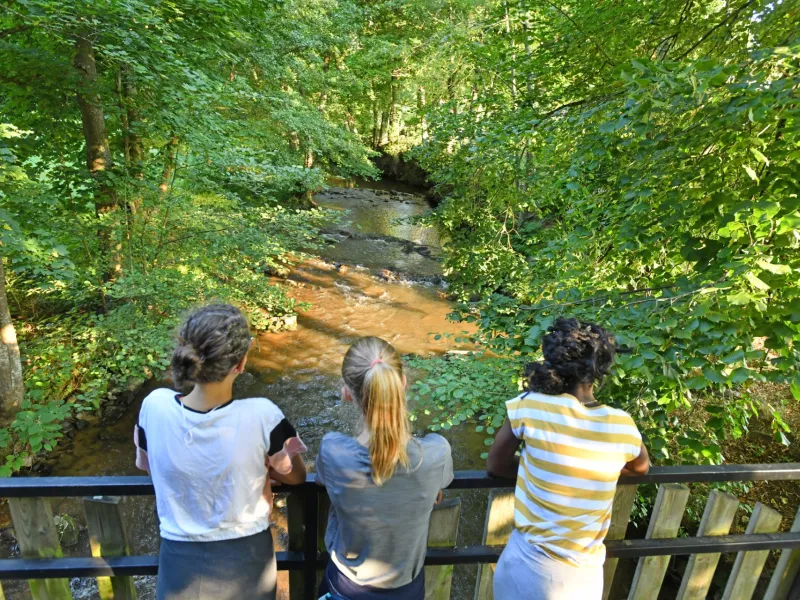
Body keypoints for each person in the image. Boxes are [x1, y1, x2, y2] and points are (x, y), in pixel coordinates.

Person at [134, 303, 306, 600]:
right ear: (240, 364)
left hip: (178, 564)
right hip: (248, 563)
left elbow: (150, 467)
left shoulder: (153, 406)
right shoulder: (263, 416)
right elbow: (296, 477)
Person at [487, 317, 650, 600]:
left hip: (526, 564)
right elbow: (641, 468)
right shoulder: (621, 424)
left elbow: (495, 465)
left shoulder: (530, 405)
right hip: (583, 576)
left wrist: (538, 471)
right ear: (601, 369)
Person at [315, 336, 454, 600]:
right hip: (406, 590)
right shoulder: (436, 452)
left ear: (347, 393)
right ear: (402, 384)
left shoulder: (333, 450)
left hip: (345, 588)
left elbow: (323, 481)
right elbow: (439, 484)